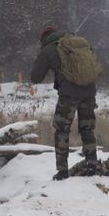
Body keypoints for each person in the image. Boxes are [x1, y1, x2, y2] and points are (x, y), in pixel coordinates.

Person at [31, 25, 102, 180]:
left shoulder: (48, 50)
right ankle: (92, 165)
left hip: (68, 94)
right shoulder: (78, 43)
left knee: (62, 130)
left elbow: (35, 77)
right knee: (87, 128)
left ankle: (62, 170)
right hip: (89, 91)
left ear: (44, 39)